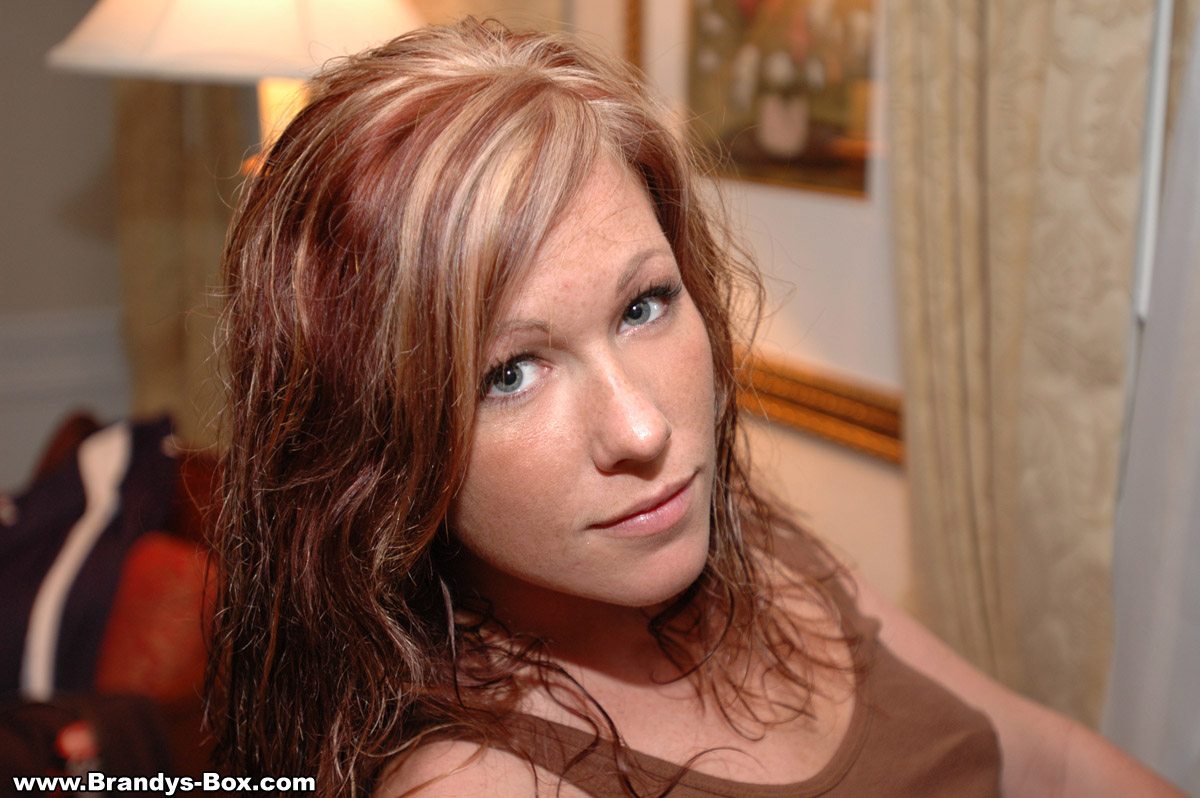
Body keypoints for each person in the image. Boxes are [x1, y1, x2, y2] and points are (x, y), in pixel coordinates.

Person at [206, 18, 1185, 798]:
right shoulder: (478, 781)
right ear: (373, 441)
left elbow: (1050, 763)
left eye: (643, 306)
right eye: (511, 373)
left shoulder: (766, 554)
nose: (644, 432)